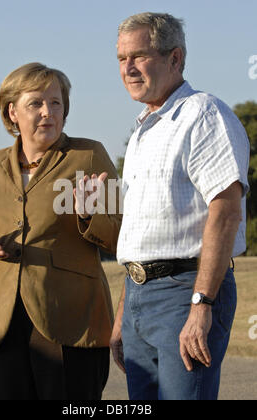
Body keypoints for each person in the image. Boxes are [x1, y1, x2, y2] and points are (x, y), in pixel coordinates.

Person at [110, 12, 250, 400]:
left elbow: (226, 211)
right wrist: (125, 313)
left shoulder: (204, 114)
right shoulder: (142, 131)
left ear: (175, 58)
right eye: (121, 59)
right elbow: (142, 231)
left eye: (139, 56)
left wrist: (202, 305)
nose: (128, 68)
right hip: (139, 296)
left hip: (185, 293)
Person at [0, 62, 121, 400]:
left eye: (56, 103)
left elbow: (121, 233)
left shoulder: (89, 155)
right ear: (12, 111)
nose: (48, 112)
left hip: (70, 320)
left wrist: (88, 216)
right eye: (35, 103)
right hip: (2, 324)